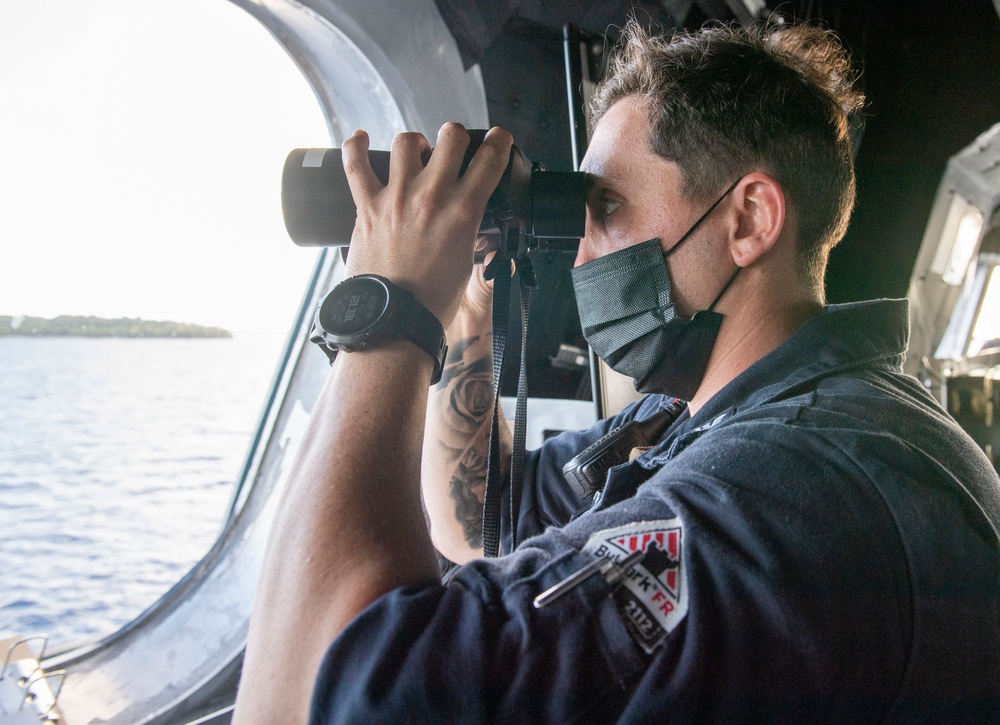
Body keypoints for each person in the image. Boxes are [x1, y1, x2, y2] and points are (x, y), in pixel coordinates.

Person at [233, 19, 1000, 724]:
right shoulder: (707, 413)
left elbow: (330, 691)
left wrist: (391, 308)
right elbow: (478, 516)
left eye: (606, 208)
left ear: (749, 221)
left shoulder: (796, 491)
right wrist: (466, 293)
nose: (580, 255)